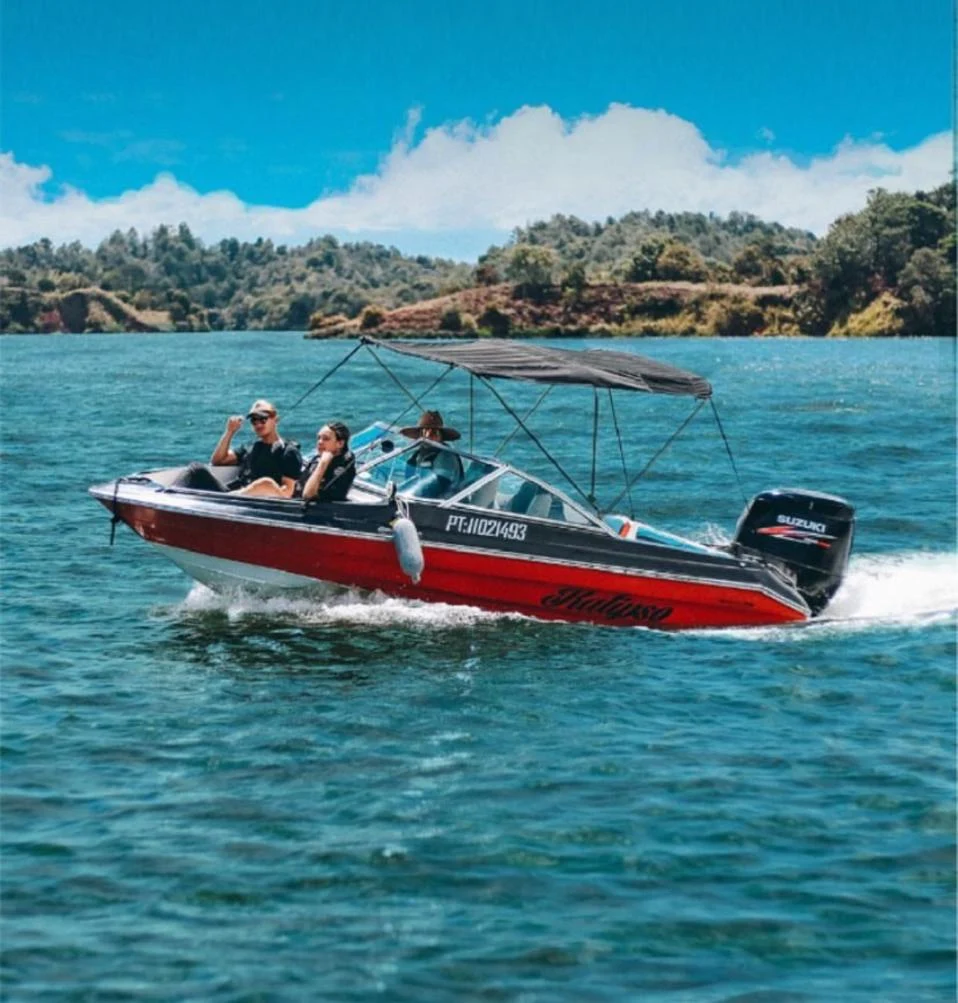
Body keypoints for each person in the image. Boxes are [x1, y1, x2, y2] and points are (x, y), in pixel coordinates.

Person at [173, 399, 302, 494]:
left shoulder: (287, 451)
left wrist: (258, 488)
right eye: (254, 420)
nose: (258, 424)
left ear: (275, 419)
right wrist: (230, 432)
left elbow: (287, 492)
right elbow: (218, 460)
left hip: (251, 502)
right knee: (195, 471)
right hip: (232, 495)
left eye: (263, 419)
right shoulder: (251, 447)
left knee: (196, 469)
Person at [241, 421, 355, 502]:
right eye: (318, 438)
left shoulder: (339, 468)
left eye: (325, 439)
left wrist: (323, 464)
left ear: (340, 443)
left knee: (266, 483)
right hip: (293, 499)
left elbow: (308, 495)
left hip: (301, 509)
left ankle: (227, 500)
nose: (319, 442)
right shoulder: (318, 459)